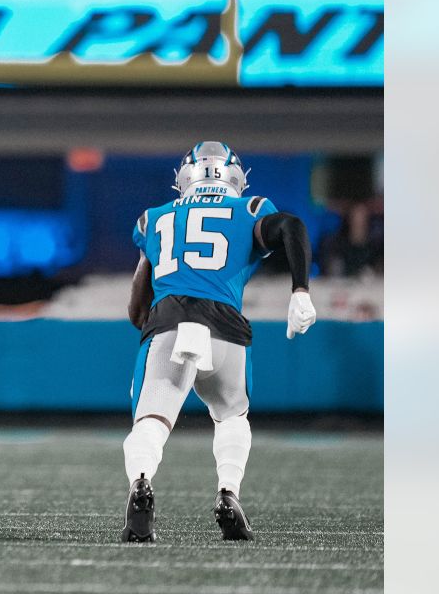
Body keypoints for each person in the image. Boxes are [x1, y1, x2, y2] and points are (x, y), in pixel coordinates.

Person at [122, 141, 317, 543]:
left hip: (171, 320)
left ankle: (141, 483)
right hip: (225, 325)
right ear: (235, 179)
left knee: (152, 422)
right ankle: (228, 493)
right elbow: (292, 226)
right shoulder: (249, 209)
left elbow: (136, 309)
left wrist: (154, 322)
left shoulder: (153, 219)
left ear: (184, 180)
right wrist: (300, 290)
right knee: (231, 417)